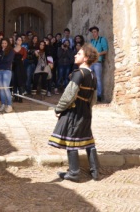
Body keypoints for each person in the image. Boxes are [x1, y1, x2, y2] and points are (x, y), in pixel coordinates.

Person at [48, 43, 99, 182]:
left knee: (71, 140)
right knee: (88, 140)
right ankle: (95, 171)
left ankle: (74, 173)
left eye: (79, 54)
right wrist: (86, 108)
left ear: (86, 58)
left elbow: (69, 94)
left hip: (75, 111)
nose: (75, 55)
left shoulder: (79, 74)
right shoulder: (93, 76)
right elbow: (93, 99)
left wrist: (59, 108)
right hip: (86, 111)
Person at [89, 26, 108, 102]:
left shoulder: (102, 40)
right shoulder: (92, 41)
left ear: (97, 32)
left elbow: (105, 51)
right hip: (91, 62)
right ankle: (90, 95)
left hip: (98, 62)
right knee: (89, 78)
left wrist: (97, 54)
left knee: (98, 79)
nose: (94, 33)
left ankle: (99, 96)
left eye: (95, 32)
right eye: (92, 32)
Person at [0, 38, 15, 113]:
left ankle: (9, 105)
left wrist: (1, 56)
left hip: (7, 71)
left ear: (8, 44)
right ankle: (3, 104)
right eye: (2, 43)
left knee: (6, 87)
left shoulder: (11, 51)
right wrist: (1, 57)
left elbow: (7, 60)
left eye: (5, 43)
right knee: (1, 88)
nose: (3, 45)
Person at [12, 36, 27, 102]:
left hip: (20, 66)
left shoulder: (23, 49)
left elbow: (25, 56)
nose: (19, 41)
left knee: (20, 81)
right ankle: (15, 97)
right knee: (15, 81)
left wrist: (21, 59)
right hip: (14, 66)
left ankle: (20, 97)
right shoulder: (13, 49)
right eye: (18, 40)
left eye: (21, 40)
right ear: (16, 41)